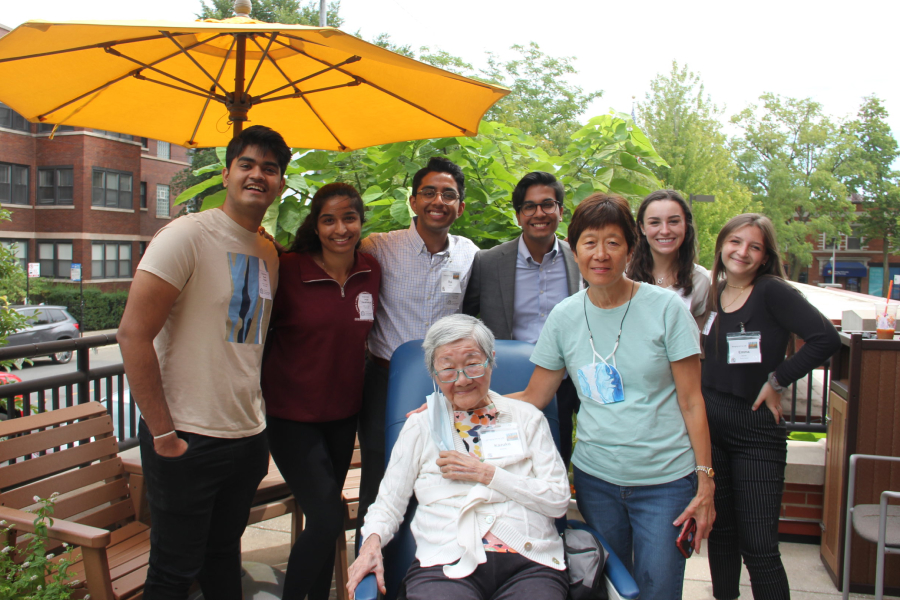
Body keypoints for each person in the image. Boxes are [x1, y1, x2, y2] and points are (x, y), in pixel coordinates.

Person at [510, 193, 716, 600]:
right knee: (605, 589)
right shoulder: (564, 316)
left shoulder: (666, 310)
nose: (600, 254)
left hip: (665, 482)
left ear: (630, 248)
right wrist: (457, 407)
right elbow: (536, 394)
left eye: (613, 242)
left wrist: (705, 482)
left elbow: (692, 401)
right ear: (574, 249)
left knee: (657, 589)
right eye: (589, 242)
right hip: (596, 479)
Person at [118, 125, 290, 599]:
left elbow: (248, 343)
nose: (258, 175)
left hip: (246, 436)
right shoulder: (186, 235)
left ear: (281, 184)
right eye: (248, 164)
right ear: (226, 173)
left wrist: (258, 431)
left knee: (222, 559)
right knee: (174, 572)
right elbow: (133, 335)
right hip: (186, 437)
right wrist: (163, 435)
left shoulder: (268, 252)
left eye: (270, 169)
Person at [346, 314, 570, 600]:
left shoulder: (527, 419)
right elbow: (388, 504)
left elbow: (558, 499)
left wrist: (487, 474)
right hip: (446, 563)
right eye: (448, 369)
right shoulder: (420, 426)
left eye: (473, 364)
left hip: (529, 562)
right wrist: (370, 546)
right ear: (433, 374)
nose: (462, 379)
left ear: (491, 361)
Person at [701, 214, 840, 600]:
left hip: (755, 429)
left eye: (754, 246)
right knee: (722, 534)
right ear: (722, 245)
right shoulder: (715, 292)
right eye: (735, 242)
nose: (742, 252)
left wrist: (777, 380)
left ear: (764, 256)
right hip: (712, 423)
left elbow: (824, 338)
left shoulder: (771, 291)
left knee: (760, 547)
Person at [260, 182, 381, 600]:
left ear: (361, 221)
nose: (339, 228)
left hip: (343, 414)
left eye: (348, 217)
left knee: (322, 518)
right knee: (330, 518)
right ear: (316, 224)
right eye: (328, 219)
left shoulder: (370, 269)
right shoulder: (288, 268)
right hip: (292, 417)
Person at [357, 156, 479, 529]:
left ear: (459, 206)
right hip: (385, 382)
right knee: (379, 475)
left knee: (442, 472)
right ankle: (371, 567)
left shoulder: (470, 253)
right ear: (413, 201)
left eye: (448, 194)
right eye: (428, 192)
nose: (437, 201)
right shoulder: (378, 247)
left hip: (446, 388)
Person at [463, 171, 582, 467]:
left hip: (566, 384)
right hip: (508, 382)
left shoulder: (580, 258)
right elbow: (467, 318)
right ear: (518, 215)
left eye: (547, 204)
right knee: (505, 464)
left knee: (556, 459)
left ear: (560, 211)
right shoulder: (489, 262)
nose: (539, 213)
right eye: (529, 207)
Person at [627, 189, 710, 331]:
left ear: (686, 225)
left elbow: (698, 343)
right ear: (642, 228)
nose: (665, 230)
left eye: (673, 221)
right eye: (655, 223)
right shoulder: (623, 275)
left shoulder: (700, 280)